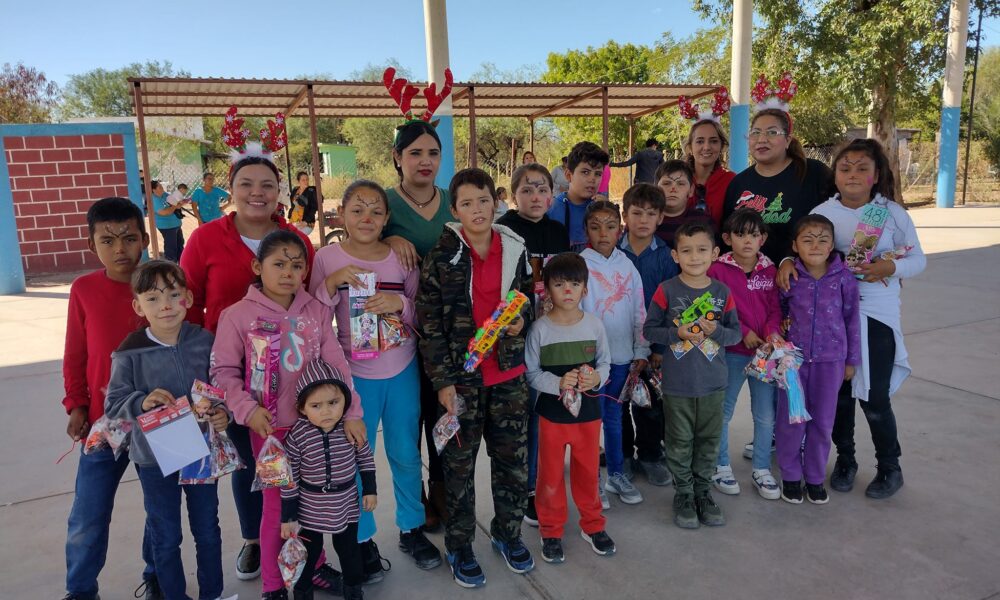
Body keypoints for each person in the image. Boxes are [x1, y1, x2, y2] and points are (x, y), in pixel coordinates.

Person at [182, 143, 324, 587]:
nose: (257, 192)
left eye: (267, 184)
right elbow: (189, 307)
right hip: (232, 376)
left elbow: (308, 300)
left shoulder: (296, 240)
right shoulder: (205, 238)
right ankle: (256, 541)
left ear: (280, 191)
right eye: (246, 184)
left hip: (289, 378)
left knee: (295, 466)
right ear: (232, 189)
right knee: (249, 463)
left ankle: (303, 553)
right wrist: (203, 383)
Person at [211, 230, 366, 600]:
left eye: (297, 265)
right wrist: (247, 411)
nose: (288, 272)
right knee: (277, 509)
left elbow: (336, 366)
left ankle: (311, 569)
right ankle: (273, 585)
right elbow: (224, 372)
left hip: (316, 428)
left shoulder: (315, 311)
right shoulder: (237, 316)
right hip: (269, 431)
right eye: (278, 264)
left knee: (313, 505)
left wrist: (352, 412)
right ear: (257, 267)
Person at [308, 180, 442, 578]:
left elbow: (422, 311)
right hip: (352, 378)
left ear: (387, 218)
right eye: (357, 209)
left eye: (376, 211)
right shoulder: (327, 258)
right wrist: (333, 283)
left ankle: (411, 528)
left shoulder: (401, 257)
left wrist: (399, 303)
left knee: (404, 453)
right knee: (352, 460)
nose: (367, 218)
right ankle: (361, 539)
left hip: (401, 370)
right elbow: (313, 319)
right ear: (341, 215)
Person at [784, 138, 926, 500]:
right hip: (826, 318)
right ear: (836, 174)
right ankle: (845, 460)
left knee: (874, 396)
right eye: (845, 167)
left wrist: (889, 265)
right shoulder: (824, 212)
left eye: (863, 167)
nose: (853, 174)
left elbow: (918, 260)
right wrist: (787, 262)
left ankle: (890, 467)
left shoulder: (892, 213)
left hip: (875, 311)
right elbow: (799, 249)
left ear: (877, 175)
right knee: (839, 397)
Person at [416, 168, 535, 588]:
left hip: (509, 378)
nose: (476, 209)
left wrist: (522, 320)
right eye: (466, 203)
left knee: (513, 465)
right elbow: (428, 326)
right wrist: (444, 383)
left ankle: (508, 535)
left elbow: (529, 300)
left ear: (495, 201)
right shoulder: (441, 255)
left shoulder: (516, 247)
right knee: (458, 470)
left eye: (483, 200)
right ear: (454, 210)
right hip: (461, 384)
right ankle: (460, 546)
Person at [104, 261, 229, 600]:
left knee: (207, 529)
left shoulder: (204, 340)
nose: (166, 306)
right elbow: (113, 404)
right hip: (153, 458)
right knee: (166, 533)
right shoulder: (130, 350)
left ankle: (213, 593)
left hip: (200, 452)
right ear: (138, 305)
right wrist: (141, 401)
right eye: (154, 298)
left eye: (174, 295)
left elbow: (222, 385)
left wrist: (222, 413)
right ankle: (173, 595)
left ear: (188, 298)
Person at [61, 198, 153, 600]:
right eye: (108, 240)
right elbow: (75, 354)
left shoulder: (162, 283)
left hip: (158, 421)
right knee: (88, 514)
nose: (120, 249)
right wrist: (77, 405)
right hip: (104, 422)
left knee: (162, 511)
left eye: (130, 238)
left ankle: (158, 577)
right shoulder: (83, 290)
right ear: (91, 243)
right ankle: (80, 590)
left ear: (145, 240)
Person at [643, 221, 742, 529]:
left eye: (701, 250)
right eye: (686, 251)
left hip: (713, 384)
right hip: (678, 386)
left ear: (714, 253)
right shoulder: (666, 290)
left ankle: (703, 492)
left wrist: (718, 332)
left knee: (709, 441)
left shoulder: (722, 292)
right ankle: (684, 493)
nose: (694, 257)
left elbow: (736, 335)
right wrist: (676, 333)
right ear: (675, 256)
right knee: (679, 441)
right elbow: (649, 330)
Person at [380, 118, 454, 530]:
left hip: (449, 329)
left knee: (442, 410)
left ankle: (442, 487)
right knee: (410, 418)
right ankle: (417, 498)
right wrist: (389, 239)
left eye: (433, 153)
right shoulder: (386, 204)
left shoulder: (452, 200)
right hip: (401, 332)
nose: (425, 161)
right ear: (397, 157)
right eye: (415, 153)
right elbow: (361, 233)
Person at [525, 252, 615, 564]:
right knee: (549, 476)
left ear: (585, 290)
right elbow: (532, 373)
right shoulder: (539, 330)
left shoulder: (594, 326)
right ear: (546, 289)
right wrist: (558, 383)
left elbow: (605, 363)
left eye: (574, 284)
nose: (567, 290)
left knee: (588, 474)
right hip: (552, 417)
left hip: (588, 417)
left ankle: (592, 525)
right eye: (559, 284)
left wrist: (596, 379)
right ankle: (550, 530)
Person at [776, 215, 860, 504]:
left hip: (831, 362)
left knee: (823, 422)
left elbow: (852, 320)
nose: (816, 245)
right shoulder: (789, 276)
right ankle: (789, 476)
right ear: (795, 246)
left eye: (823, 239)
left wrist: (851, 360)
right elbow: (778, 313)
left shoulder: (844, 278)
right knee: (791, 420)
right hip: (792, 364)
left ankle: (814, 478)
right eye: (807, 239)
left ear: (832, 245)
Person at [281, 359, 378, 600]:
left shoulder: (350, 429)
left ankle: (354, 592)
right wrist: (289, 517)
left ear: (345, 400)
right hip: (309, 510)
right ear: (302, 408)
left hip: (345, 505)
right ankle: (303, 594)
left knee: (349, 553)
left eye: (333, 403)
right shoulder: (297, 437)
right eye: (316, 405)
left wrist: (370, 489)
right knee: (308, 555)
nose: (326, 411)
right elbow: (289, 479)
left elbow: (366, 460)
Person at [706, 209, 782, 500]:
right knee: (723, 412)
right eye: (740, 234)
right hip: (732, 351)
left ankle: (762, 469)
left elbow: (776, 308)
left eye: (754, 234)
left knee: (764, 415)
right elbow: (717, 307)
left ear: (762, 238)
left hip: (765, 354)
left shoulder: (770, 270)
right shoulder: (717, 270)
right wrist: (744, 330)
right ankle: (720, 464)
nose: (747, 241)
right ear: (727, 238)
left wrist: (772, 334)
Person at [579, 201, 650, 506]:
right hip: (592, 361)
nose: (603, 233)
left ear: (620, 229)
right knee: (589, 421)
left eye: (610, 226)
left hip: (621, 357)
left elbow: (639, 310)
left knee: (614, 416)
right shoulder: (580, 265)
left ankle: (616, 474)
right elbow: (575, 312)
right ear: (586, 231)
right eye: (595, 226)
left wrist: (641, 348)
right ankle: (591, 480)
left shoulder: (626, 265)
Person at [617, 183, 677, 487]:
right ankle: (623, 455)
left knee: (651, 403)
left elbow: (671, 304)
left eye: (650, 214)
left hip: (652, 345)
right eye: (636, 213)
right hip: (618, 343)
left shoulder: (666, 256)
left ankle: (651, 455)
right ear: (625, 215)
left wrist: (660, 347)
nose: (643, 219)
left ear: (660, 218)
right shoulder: (612, 251)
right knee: (617, 402)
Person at [722, 107, 832, 264]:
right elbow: (728, 236)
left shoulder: (814, 173)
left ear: (788, 140)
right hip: (753, 280)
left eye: (772, 132)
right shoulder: (738, 184)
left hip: (803, 276)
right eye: (755, 132)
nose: (762, 139)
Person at [546, 142, 609, 252]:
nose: (592, 179)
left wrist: (608, 211)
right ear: (569, 175)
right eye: (585, 172)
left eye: (598, 174)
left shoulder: (603, 208)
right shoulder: (551, 210)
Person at [684, 118, 735, 228]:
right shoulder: (677, 179)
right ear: (690, 148)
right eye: (700, 141)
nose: (706, 147)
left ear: (722, 146)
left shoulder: (732, 181)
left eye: (713, 141)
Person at [654, 160, 713, 248]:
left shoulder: (704, 222)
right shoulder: (646, 220)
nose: (673, 189)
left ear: (691, 190)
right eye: (666, 183)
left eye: (680, 184)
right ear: (655, 188)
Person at [151, 180, 186, 262]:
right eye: (159, 186)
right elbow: (165, 212)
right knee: (171, 247)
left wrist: (179, 202)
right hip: (166, 226)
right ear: (154, 190)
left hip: (176, 224)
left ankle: (182, 263)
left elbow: (177, 205)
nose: (162, 187)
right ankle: (171, 265)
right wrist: (174, 206)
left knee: (180, 244)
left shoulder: (164, 195)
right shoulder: (154, 199)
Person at [289, 171, 319, 235]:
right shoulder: (295, 190)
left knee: (297, 238)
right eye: (303, 180)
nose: (306, 182)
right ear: (298, 181)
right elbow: (293, 205)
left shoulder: (311, 191)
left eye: (307, 179)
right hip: (294, 221)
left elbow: (313, 209)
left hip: (306, 223)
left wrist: (305, 222)